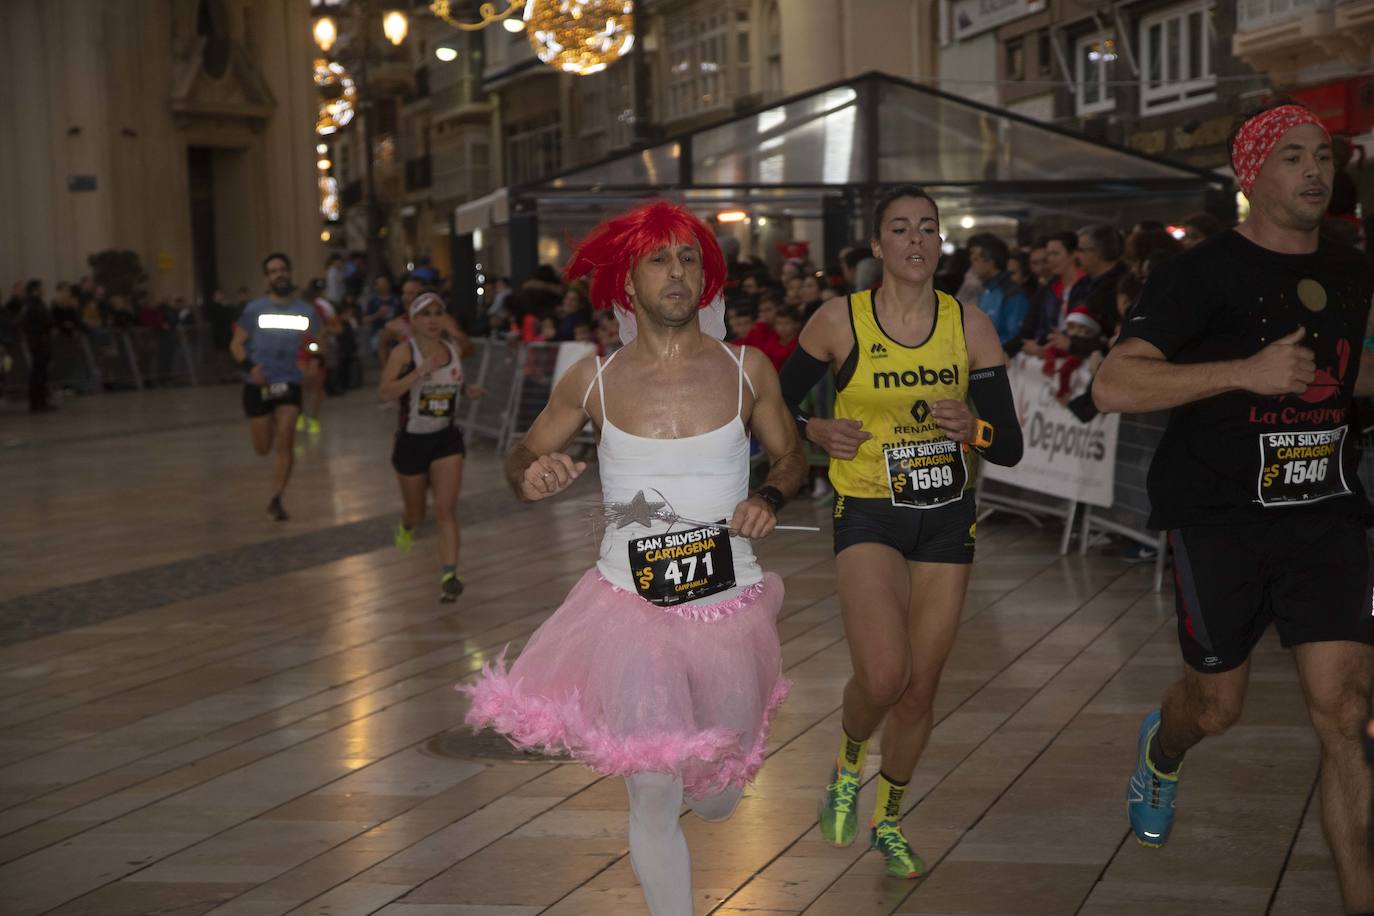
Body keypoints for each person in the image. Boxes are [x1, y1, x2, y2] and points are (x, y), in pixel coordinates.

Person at [464, 201, 806, 916]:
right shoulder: (592, 380)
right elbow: (524, 451)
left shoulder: (748, 370)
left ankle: (715, 785)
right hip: (630, 608)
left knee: (714, 797)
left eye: (688, 258)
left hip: (729, 609)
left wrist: (770, 495)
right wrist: (530, 472)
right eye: (659, 259)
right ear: (627, 283)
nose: (677, 273)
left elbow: (791, 453)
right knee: (653, 788)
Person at [1093, 103, 1374, 913]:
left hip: (1327, 511)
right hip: (1218, 514)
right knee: (1217, 705)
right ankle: (1164, 746)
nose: (1315, 171)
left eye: (1322, 155)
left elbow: (1351, 370)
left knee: (1347, 711)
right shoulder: (1198, 271)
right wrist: (1242, 372)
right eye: (1292, 157)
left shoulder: (1354, 267)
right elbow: (1114, 384)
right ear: (1251, 175)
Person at [778, 186, 1024, 878]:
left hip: (947, 516)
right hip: (869, 511)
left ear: (940, 243)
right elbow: (767, 401)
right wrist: (813, 429)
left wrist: (970, 428)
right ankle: (847, 763)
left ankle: (889, 819)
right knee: (884, 674)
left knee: (921, 687)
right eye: (900, 229)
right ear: (879, 245)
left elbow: (1007, 446)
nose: (916, 241)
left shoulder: (969, 325)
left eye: (927, 229)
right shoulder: (839, 321)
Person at [379, 292, 485, 602]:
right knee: (417, 513)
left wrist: (467, 391)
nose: (434, 319)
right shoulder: (404, 353)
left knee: (445, 509)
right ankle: (407, 524)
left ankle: (449, 574)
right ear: (414, 321)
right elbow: (385, 392)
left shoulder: (451, 350)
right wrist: (418, 372)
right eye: (426, 314)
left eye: (439, 312)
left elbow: (450, 384)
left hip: (446, 439)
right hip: (411, 441)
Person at [230, 253, 320, 521]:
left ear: (290, 273)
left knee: (286, 436)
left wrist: (314, 360)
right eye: (273, 271)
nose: (279, 274)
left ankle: (276, 497)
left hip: (289, 381)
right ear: (267, 278)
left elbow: (316, 343)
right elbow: (236, 344)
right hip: (258, 384)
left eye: (282, 269)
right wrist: (250, 368)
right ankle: (267, 421)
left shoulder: (306, 311)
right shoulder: (253, 310)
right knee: (262, 447)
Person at [378, 274, 473, 368]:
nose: (405, 297)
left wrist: (447, 361)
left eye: (411, 293)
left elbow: (467, 346)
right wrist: (386, 368)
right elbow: (383, 343)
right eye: (404, 293)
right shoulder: (397, 323)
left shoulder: (442, 319)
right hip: (411, 378)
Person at [967, 233, 1030, 345]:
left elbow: (1015, 335)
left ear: (991, 262)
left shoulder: (1011, 293)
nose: (972, 265)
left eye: (976, 259)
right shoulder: (987, 290)